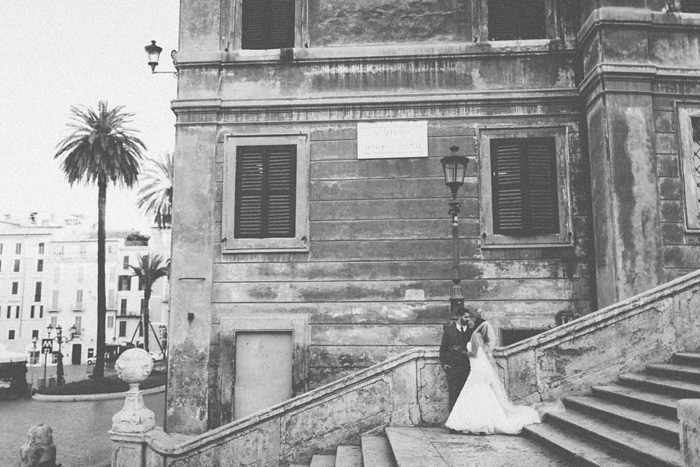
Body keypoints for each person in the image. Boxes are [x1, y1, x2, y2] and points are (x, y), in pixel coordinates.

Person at [445, 319, 541, 435]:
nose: (470, 322)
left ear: (477, 325)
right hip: (481, 367)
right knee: (483, 393)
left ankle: (476, 423)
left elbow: (474, 353)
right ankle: (484, 422)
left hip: (477, 368)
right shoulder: (482, 337)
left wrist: (461, 351)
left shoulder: (475, 335)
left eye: (472, 322)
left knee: (473, 392)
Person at [440, 307, 481, 411]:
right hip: (453, 368)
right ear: (459, 317)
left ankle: (464, 421)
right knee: (453, 395)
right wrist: (444, 364)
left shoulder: (471, 332)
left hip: (467, 368)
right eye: (466, 317)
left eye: (469, 317)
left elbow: (475, 350)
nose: (468, 319)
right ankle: (452, 424)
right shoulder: (449, 331)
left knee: (467, 395)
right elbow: (442, 349)